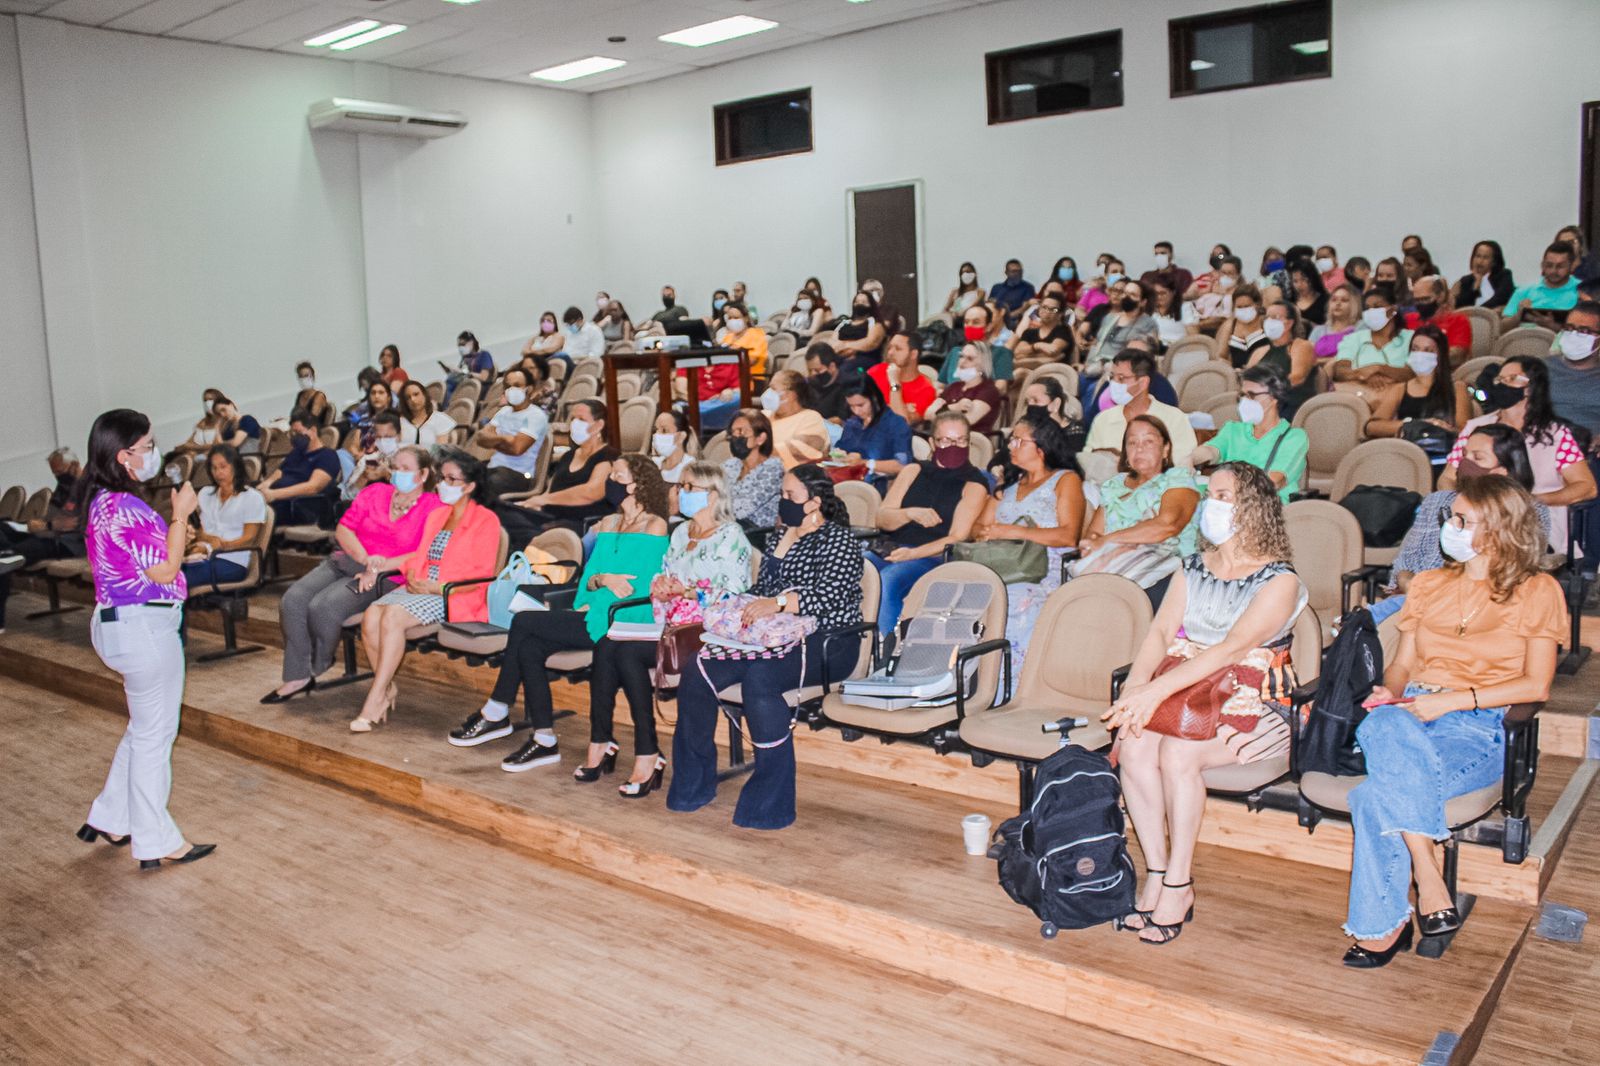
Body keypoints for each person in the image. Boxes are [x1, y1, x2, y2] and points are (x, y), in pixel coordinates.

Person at [1340, 477, 1561, 967]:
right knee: (1383, 723)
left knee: (1376, 795)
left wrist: (1453, 701)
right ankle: (1428, 867)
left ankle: (1384, 926)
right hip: (1410, 713)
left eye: (1463, 520)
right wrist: (1390, 692)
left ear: (1501, 529)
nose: (1450, 528)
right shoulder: (1431, 585)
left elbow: (1536, 686)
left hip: (1478, 723)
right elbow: (1403, 666)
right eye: (1451, 518)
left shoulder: (1538, 590)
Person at [1103, 462, 1306, 944]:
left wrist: (1153, 692)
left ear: (1251, 508)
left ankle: (1179, 881)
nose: (1208, 503)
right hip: (1188, 690)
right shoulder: (1192, 566)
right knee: (1132, 746)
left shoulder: (1280, 580)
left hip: (1254, 699)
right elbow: (1159, 633)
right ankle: (1155, 871)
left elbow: (1232, 649)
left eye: (1220, 495)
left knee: (1177, 754)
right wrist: (1134, 691)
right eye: (1210, 493)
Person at [669, 465, 863, 830]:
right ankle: (692, 786)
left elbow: (829, 596)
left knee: (761, 681)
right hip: (772, 636)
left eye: (791, 496)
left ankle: (769, 804)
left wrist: (778, 603)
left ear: (815, 503)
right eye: (782, 495)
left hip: (829, 641)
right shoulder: (778, 537)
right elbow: (762, 590)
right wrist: (781, 552)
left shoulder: (839, 541)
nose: (783, 502)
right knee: (699, 668)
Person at [454, 457, 671, 772]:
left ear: (635, 484)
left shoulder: (655, 525)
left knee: (524, 620)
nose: (610, 479)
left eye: (616, 474)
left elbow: (638, 586)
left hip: (622, 620)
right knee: (529, 647)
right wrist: (601, 581)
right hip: (592, 610)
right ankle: (543, 739)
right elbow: (588, 579)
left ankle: (498, 707)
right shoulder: (608, 523)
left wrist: (604, 582)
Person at [550, 462, 751, 794]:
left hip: (709, 629)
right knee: (609, 644)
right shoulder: (682, 532)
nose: (680, 493)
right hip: (670, 623)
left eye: (689, 488)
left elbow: (734, 593)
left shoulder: (731, 536)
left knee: (623, 652)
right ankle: (636, 748)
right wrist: (661, 587)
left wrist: (684, 591)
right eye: (681, 486)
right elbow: (662, 576)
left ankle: (645, 751)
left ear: (712, 496)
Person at [73, 408, 214, 868]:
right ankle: (156, 840)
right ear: (124, 455)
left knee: (142, 728)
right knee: (156, 736)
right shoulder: (125, 506)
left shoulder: (101, 501)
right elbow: (165, 570)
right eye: (148, 446)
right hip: (144, 629)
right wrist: (179, 517)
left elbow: (148, 560)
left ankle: (111, 816)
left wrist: (175, 533)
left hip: (118, 623)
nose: (155, 452)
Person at [265, 446, 441, 705]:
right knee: (293, 599)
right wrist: (365, 559)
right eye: (395, 468)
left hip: (387, 575)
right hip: (348, 560)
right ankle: (297, 675)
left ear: (423, 474)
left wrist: (377, 568)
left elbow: (423, 552)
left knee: (324, 606)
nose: (397, 473)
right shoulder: (375, 492)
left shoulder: (434, 507)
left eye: (406, 469)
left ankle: (317, 664)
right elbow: (344, 529)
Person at [352, 450, 502, 732]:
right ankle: (387, 688)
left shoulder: (486, 521)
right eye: (442, 478)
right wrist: (402, 572)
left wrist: (436, 587)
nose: (442, 484)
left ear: (469, 486)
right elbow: (419, 556)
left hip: (452, 592)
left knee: (393, 616)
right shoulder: (437, 515)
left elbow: (482, 575)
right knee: (371, 615)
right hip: (422, 584)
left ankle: (374, 698)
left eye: (451, 479)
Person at [1440, 357, 1597, 548]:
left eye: (1512, 378)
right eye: (1500, 379)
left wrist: (1535, 500)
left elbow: (1587, 487)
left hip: (1536, 522)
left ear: (1531, 388)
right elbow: (1446, 478)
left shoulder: (1555, 434)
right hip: (1476, 516)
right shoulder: (1476, 428)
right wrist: (1460, 502)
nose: (1502, 384)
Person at [972, 413, 1085, 677]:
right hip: (1001, 565)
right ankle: (965, 682)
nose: (1011, 447)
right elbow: (977, 527)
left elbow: (1068, 536)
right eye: (1011, 441)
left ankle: (1004, 685)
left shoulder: (1066, 480)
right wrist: (989, 533)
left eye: (1018, 441)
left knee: (1013, 598)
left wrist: (1013, 532)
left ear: (1042, 446)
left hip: (1042, 571)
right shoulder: (1010, 485)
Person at [1390, 425, 1549, 593]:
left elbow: (1520, 570)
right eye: (1465, 455)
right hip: (1419, 594)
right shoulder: (1437, 501)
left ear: (1503, 471)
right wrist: (1410, 585)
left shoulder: (1531, 511)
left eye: (1478, 458)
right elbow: (1406, 560)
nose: (1466, 463)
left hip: (1488, 602)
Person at [868, 412, 990, 630]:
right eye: (946, 440)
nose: (954, 446)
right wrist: (909, 513)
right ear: (933, 442)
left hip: (932, 556)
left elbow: (957, 537)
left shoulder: (974, 483)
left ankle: (883, 650)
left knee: (889, 580)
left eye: (961, 440)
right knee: (858, 568)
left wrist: (912, 554)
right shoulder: (913, 470)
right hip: (894, 547)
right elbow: (882, 517)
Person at [1071, 416, 1200, 597]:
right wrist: (1094, 542)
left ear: (1165, 449)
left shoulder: (1177, 479)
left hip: (1165, 570)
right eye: (1132, 443)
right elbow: (1094, 534)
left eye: (1148, 441)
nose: (1139, 448)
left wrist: (1108, 541)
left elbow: (1167, 525)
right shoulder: (1114, 486)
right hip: (1114, 566)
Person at [1188, 365, 1310, 501]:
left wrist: (1227, 488)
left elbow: (1275, 481)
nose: (1244, 401)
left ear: (1274, 398)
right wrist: (1191, 458)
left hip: (1266, 509)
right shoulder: (1233, 429)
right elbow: (1211, 451)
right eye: (1242, 395)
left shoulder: (1293, 437)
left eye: (1251, 395)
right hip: (1227, 502)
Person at [0, 448, 85, 633]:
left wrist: (51, 525)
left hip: (66, 544)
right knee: (3, 528)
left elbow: (78, 524)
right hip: (47, 534)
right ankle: (6, 550)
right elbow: (52, 519)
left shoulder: (88, 488)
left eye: (60, 472)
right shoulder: (63, 489)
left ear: (75, 465)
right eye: (55, 473)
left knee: (6, 560)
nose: (58, 477)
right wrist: (44, 524)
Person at [514, 399, 617, 532]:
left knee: (534, 532)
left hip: (583, 522)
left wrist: (544, 500)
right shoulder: (568, 456)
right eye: (573, 418)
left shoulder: (608, 456)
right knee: (509, 516)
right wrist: (534, 504)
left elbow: (591, 492)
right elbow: (551, 490)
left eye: (581, 419)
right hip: (551, 514)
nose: (575, 423)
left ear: (598, 425)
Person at [181, 445, 266, 588]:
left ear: (236, 466)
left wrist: (220, 546)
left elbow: (249, 538)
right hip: (203, 555)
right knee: (168, 570)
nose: (218, 473)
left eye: (223, 467)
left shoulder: (252, 497)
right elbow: (200, 531)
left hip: (232, 560)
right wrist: (206, 544)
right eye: (214, 468)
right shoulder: (206, 494)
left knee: (180, 578)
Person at [1085, 350, 1198, 459]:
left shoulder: (1174, 418)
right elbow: (1089, 461)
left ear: (1143, 383)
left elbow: (1182, 463)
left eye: (1121, 378)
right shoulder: (1103, 419)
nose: (1114, 384)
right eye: (1112, 377)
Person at [1364, 324, 1468, 439]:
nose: (1420, 355)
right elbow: (1371, 427)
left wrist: (1437, 427)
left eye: (1428, 350)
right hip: (1407, 451)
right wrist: (1416, 425)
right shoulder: (1400, 389)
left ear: (1440, 355)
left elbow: (1463, 430)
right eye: (1415, 349)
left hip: (1442, 450)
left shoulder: (1457, 388)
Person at [259, 407, 341, 527]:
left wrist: (274, 494)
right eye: (292, 433)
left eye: (297, 432)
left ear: (313, 431)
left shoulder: (327, 456)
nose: (294, 437)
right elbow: (280, 472)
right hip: (275, 501)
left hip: (299, 506)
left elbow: (313, 487)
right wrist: (266, 484)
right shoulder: (296, 452)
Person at [1332, 284, 1414, 404]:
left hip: (1399, 399)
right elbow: (1341, 370)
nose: (1371, 311)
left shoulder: (1411, 337)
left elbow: (1412, 373)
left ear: (1392, 310)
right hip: (1357, 398)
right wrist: (1363, 376)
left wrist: (1378, 368)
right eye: (1367, 307)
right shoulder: (1354, 338)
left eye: (1377, 306)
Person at [477, 366, 550, 500]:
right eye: (508, 386)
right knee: (463, 474)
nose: (511, 390)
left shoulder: (535, 415)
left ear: (529, 388)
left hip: (519, 475)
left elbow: (517, 449)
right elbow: (481, 439)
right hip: (494, 467)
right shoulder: (504, 412)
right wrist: (507, 439)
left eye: (517, 385)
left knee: (482, 487)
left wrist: (494, 441)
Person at [836, 376, 913, 496]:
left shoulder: (896, 424)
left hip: (881, 487)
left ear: (874, 398)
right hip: (850, 482)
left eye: (860, 405)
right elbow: (841, 449)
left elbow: (902, 465)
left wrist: (864, 463)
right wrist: (839, 455)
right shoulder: (853, 423)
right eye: (851, 406)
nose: (856, 411)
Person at [1247, 302, 1319, 417]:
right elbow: (1247, 380)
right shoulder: (1260, 351)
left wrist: (1265, 390)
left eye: (1275, 317)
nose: (1269, 321)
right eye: (1267, 317)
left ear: (1289, 323)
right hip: (1262, 405)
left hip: (1292, 405)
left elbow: (1297, 378)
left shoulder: (1301, 346)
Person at [1083, 279, 1157, 384]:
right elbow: (1097, 343)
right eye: (1125, 293)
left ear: (1142, 302)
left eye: (1132, 294)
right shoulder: (1110, 318)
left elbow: (1140, 356)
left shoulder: (1147, 324)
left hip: (1119, 375)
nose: (1126, 297)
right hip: (1094, 368)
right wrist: (1087, 364)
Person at [722, 411, 785, 529]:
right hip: (727, 526)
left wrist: (712, 505)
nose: (735, 437)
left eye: (740, 431)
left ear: (760, 438)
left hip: (755, 533)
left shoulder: (773, 469)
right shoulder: (731, 465)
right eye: (732, 432)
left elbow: (742, 509)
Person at [927, 341, 1003, 434]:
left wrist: (940, 410)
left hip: (972, 443)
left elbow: (966, 421)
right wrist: (955, 407)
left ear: (983, 365)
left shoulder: (989, 391)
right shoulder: (954, 387)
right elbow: (928, 414)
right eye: (961, 356)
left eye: (970, 358)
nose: (962, 361)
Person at [1503, 242, 1581, 329]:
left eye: (1560, 266)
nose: (1553, 271)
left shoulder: (1582, 291)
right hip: (1525, 339)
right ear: (1542, 265)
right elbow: (1502, 328)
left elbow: (1589, 332)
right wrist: (1518, 316)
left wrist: (1553, 326)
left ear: (1572, 266)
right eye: (1549, 265)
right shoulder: (1525, 290)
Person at [761, 370, 829, 469]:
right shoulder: (764, 415)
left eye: (773, 389)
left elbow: (799, 448)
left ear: (792, 394)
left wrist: (758, 449)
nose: (768, 393)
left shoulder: (811, 417)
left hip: (791, 477)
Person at [868, 330, 937, 425]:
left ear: (913, 354)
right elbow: (859, 406)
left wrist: (894, 383)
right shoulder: (877, 371)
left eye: (898, 349)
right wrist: (900, 407)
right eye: (890, 348)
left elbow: (901, 423)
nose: (890, 353)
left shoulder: (926, 390)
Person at [1403, 276, 1470, 364]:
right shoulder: (1409, 319)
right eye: (1416, 300)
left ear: (1440, 297)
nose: (1420, 304)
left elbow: (1458, 355)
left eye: (1425, 299)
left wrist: (1424, 357)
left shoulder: (1459, 321)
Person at [1011, 293, 1074, 373]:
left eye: (1053, 309)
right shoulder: (1029, 332)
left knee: (1020, 372)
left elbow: (1053, 351)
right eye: (1044, 307)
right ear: (1039, 309)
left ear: (1060, 315)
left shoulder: (1063, 330)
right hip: (1029, 372)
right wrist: (1037, 346)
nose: (1047, 311)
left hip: (1054, 374)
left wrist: (1025, 356)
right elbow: (1017, 352)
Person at [1217, 284, 1269, 369]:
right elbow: (1221, 356)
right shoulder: (1230, 325)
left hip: (1264, 372)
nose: (1243, 310)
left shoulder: (1265, 322)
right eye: (1239, 307)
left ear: (1257, 304)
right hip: (1238, 374)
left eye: (1247, 306)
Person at [1186, 254, 1242, 334]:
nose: (1225, 276)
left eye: (1230, 273)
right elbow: (1199, 309)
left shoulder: (1239, 293)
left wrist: (1199, 325)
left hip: (1221, 328)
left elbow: (1225, 318)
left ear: (1237, 275)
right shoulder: (1211, 290)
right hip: (1202, 323)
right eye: (1223, 273)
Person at [1452, 240, 1514, 310]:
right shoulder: (1465, 280)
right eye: (1478, 256)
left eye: (1485, 258)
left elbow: (1501, 298)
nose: (1480, 261)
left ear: (1494, 262)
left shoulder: (1504, 275)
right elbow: (1461, 306)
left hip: (1496, 316)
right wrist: (1475, 287)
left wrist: (1479, 310)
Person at [395, 379, 459, 446]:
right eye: (408, 397)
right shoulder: (400, 421)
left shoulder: (440, 419)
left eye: (416, 394)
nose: (413, 400)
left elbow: (440, 451)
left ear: (424, 395)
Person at [833, 292, 886, 368]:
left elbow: (870, 343)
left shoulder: (874, 322)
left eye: (863, 302)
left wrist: (846, 345)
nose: (859, 304)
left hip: (865, 359)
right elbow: (833, 342)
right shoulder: (845, 323)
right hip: (840, 357)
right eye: (857, 302)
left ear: (871, 305)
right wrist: (846, 350)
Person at [1311, 282, 1362, 359]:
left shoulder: (1361, 327)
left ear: (1354, 305)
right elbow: (1307, 358)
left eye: (1344, 300)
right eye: (1334, 300)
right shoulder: (1318, 330)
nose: (1338, 303)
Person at [719, 301, 769, 379]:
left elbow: (752, 361)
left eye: (736, 318)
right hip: (729, 377)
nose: (732, 321)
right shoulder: (728, 336)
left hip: (751, 378)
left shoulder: (756, 334)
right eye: (730, 318)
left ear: (746, 318)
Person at [803, 343, 852, 422]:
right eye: (810, 370)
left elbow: (840, 420)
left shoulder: (846, 385)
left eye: (817, 370)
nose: (812, 374)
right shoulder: (810, 383)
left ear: (832, 366)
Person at [443, 331, 494, 401]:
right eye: (459, 345)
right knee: (450, 380)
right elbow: (461, 374)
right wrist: (451, 371)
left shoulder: (484, 355)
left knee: (451, 384)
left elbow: (484, 377)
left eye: (463, 344)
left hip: (480, 386)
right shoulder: (466, 357)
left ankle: (446, 406)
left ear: (471, 342)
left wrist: (465, 373)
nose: (461, 347)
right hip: (468, 384)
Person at [173, 389, 225, 455]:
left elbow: (216, 445)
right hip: (196, 455)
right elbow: (191, 441)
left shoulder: (224, 421)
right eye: (205, 400)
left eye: (210, 399)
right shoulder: (202, 422)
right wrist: (183, 446)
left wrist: (192, 447)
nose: (207, 403)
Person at [651, 409, 695, 485]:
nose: (657, 435)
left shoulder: (691, 467)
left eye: (664, 430)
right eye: (655, 430)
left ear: (681, 436)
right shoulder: (653, 463)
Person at [989, 259, 1035, 326]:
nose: (1017, 274)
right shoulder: (996, 288)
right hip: (995, 320)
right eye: (1014, 271)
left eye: (1020, 271)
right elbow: (990, 307)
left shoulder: (1028, 288)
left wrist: (1005, 318)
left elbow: (1025, 309)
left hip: (1014, 321)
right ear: (1006, 272)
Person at [1287, 259, 1329, 327]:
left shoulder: (1326, 300)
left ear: (1312, 278)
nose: (1299, 285)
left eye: (1303, 279)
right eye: (1295, 281)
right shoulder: (1289, 302)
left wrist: (1308, 324)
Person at [292, 362, 332, 426]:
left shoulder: (319, 396)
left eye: (306, 375)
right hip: (299, 428)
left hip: (313, 429)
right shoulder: (300, 395)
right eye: (301, 376)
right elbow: (295, 416)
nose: (303, 379)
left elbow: (312, 418)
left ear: (313, 377)